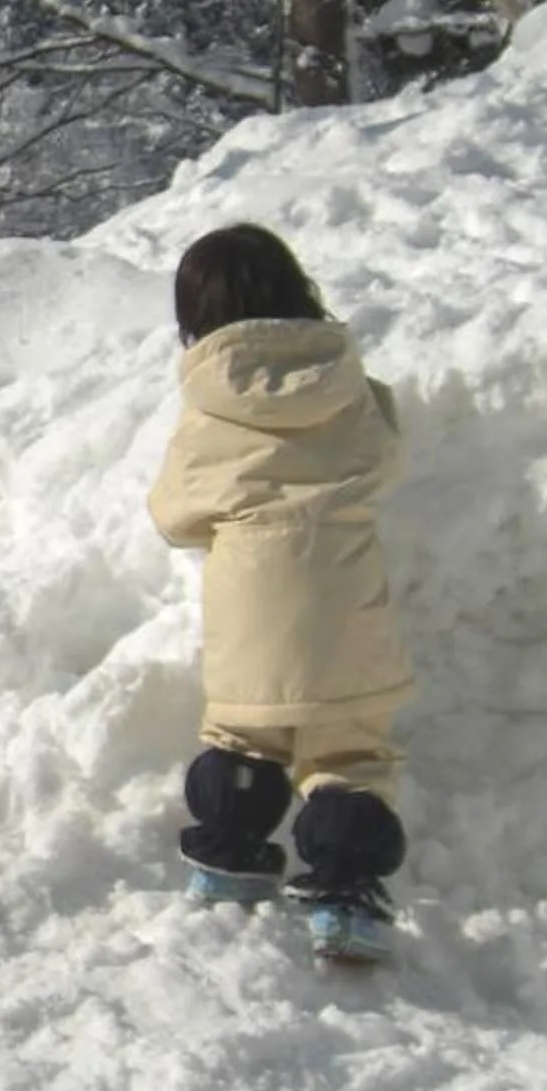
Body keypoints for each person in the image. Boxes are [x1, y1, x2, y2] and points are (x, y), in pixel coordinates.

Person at [146, 224, 415, 963]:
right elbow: (386, 459)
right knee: (349, 758)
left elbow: (173, 514)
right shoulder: (353, 391)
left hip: (251, 612)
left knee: (243, 738)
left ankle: (230, 856)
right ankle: (344, 897)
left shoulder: (210, 411)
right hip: (350, 607)